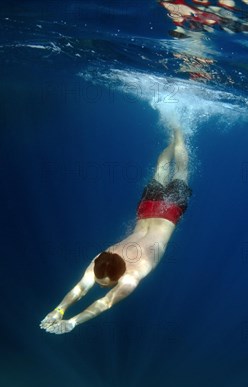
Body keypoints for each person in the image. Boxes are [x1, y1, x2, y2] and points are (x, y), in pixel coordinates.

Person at [40, 128, 191, 334]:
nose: (101, 287)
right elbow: (81, 288)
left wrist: (72, 322)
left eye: (104, 284)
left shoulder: (131, 277)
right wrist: (58, 311)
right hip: (151, 211)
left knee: (177, 171)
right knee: (162, 170)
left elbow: (105, 303)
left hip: (165, 213)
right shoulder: (101, 261)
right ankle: (176, 137)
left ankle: (177, 137)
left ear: (120, 276)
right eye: (102, 283)